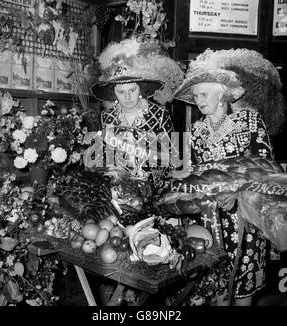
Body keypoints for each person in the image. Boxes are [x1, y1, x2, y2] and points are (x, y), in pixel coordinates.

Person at [174, 53, 276, 306]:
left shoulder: (249, 121)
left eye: (203, 95)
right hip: (209, 219)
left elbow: (264, 166)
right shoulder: (196, 130)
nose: (198, 101)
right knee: (215, 283)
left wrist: (237, 191)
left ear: (221, 94)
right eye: (195, 96)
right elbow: (195, 173)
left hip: (245, 216)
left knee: (242, 284)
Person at [88, 37, 181, 187]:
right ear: (113, 94)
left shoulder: (160, 114)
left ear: (141, 89)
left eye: (132, 90)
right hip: (117, 190)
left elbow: (174, 157)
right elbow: (102, 157)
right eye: (121, 92)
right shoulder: (107, 117)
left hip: (151, 189)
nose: (127, 97)